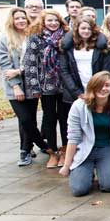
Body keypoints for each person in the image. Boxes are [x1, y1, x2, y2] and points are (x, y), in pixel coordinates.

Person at [59, 71, 110, 197]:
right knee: (78, 190)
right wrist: (66, 165)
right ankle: (86, 173)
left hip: (108, 148)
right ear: (92, 87)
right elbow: (73, 138)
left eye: (107, 85)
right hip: (85, 149)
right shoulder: (78, 106)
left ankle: (105, 171)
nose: (103, 88)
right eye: (99, 85)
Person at [0, 7, 48, 165]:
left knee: (30, 118)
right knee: (24, 119)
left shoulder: (32, 37)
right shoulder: (5, 39)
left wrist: (19, 70)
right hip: (15, 87)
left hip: (31, 85)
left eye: (23, 18)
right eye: (17, 18)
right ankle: (42, 145)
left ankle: (25, 150)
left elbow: (37, 61)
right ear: (12, 21)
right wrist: (15, 86)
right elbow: (5, 66)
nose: (21, 21)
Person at [22, 9, 70, 168]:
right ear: (43, 22)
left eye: (56, 20)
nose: (53, 23)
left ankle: (64, 151)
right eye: (50, 20)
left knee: (65, 119)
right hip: (45, 85)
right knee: (49, 119)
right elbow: (30, 63)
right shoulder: (35, 38)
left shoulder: (65, 36)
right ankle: (52, 152)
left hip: (64, 85)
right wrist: (33, 86)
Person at [59, 17, 108, 111]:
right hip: (75, 90)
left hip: (96, 88)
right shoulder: (68, 47)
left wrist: (97, 89)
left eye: (89, 28)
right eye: (83, 28)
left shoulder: (100, 46)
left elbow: (105, 70)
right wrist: (77, 92)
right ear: (77, 29)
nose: (86, 31)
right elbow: (64, 71)